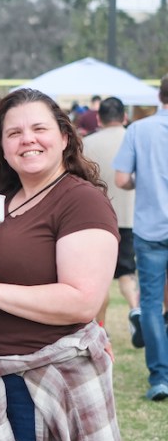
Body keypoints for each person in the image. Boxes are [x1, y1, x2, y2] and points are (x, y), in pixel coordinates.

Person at [0, 88, 127, 441]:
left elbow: (82, 299)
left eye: (39, 129)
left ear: (64, 137)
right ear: (2, 146)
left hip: (39, 389)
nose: (27, 139)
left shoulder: (81, 201)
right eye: (14, 133)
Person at [113, 76, 168, 401]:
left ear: (160, 96)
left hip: (150, 227)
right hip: (151, 230)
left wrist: (142, 180)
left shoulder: (139, 130)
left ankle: (160, 378)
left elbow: (121, 179)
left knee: (149, 303)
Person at [81, 97, 139, 330]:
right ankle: (135, 309)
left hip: (96, 219)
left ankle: (101, 327)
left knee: (100, 277)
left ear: (99, 118)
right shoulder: (133, 139)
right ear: (124, 117)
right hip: (130, 216)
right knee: (128, 271)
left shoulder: (86, 143)